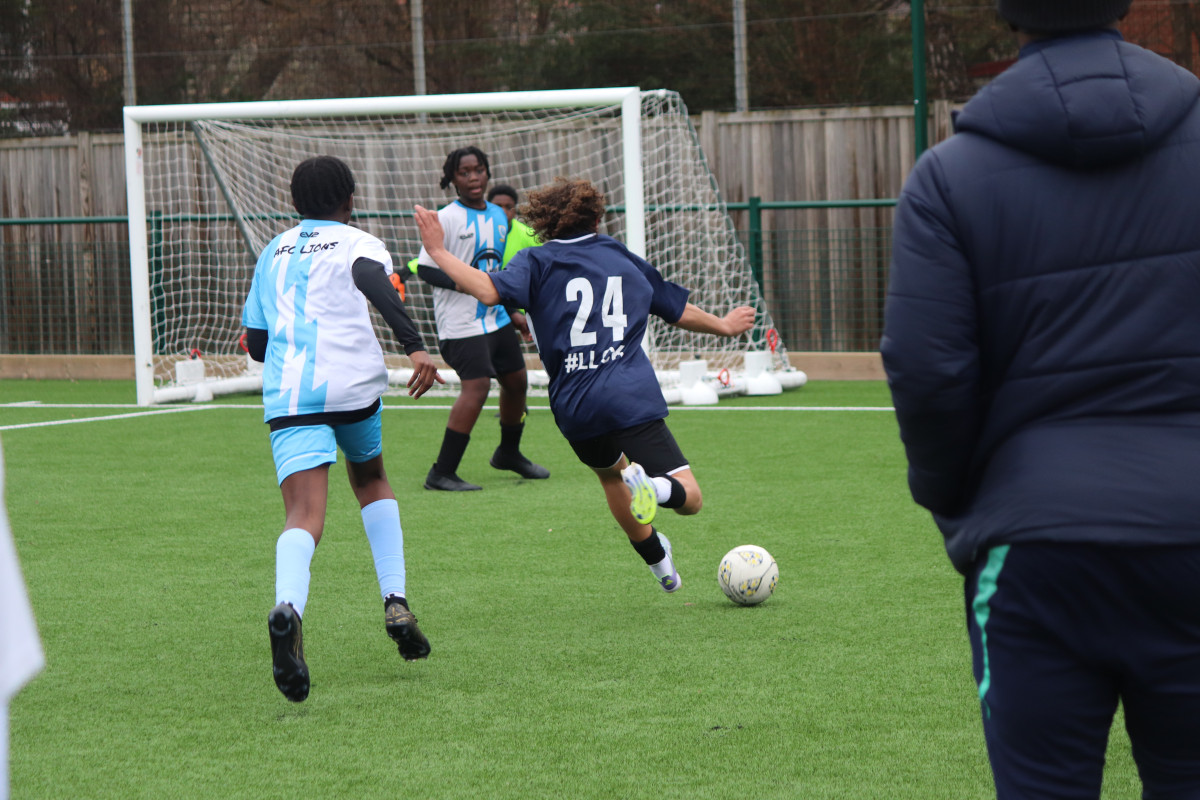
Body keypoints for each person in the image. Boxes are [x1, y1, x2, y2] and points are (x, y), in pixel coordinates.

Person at [880, 1, 1200, 796]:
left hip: (1035, 544)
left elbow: (927, 373)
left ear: (1008, 14)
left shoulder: (948, 176)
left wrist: (961, 505)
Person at [414, 178, 755, 592]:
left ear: (545, 223)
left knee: (612, 477)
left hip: (575, 406)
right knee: (690, 498)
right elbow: (675, 308)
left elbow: (487, 290)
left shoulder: (534, 261)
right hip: (629, 396)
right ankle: (656, 488)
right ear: (597, 217)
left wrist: (436, 250)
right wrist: (724, 325)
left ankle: (660, 565)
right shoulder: (618, 255)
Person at [242, 155, 443, 703]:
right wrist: (415, 345)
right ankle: (395, 599)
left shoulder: (272, 252)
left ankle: (288, 609)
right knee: (372, 480)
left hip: (290, 395)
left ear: (293, 202)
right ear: (350, 200)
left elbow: (257, 344)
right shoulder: (358, 242)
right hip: (352, 388)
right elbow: (375, 285)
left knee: (303, 514)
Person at [415, 147, 548, 492]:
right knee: (477, 386)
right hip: (459, 325)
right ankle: (441, 472)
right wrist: (461, 283)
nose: (473, 177)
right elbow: (426, 270)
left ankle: (508, 452)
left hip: (496, 318)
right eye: (465, 172)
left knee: (517, 382)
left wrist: (513, 312)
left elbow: (495, 272)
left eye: (479, 170)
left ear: (488, 173)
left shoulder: (500, 217)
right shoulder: (445, 218)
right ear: (453, 178)